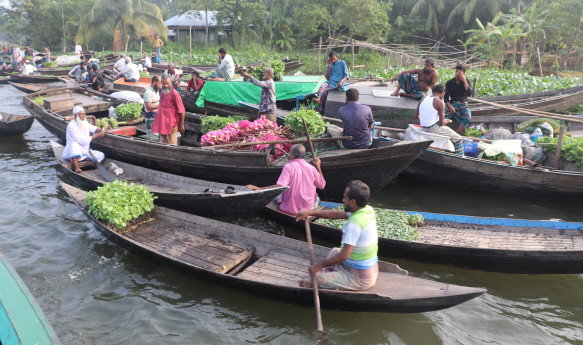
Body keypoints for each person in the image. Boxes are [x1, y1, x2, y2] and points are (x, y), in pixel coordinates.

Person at [296, 180, 378, 291]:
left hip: (360, 278)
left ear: (353, 202)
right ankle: (335, 275)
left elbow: (345, 256)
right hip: (369, 269)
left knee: (314, 280)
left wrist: (319, 265)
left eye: (345, 198)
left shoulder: (355, 224)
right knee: (335, 251)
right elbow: (336, 214)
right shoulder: (367, 210)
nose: (343, 200)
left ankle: (333, 277)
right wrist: (310, 213)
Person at [246, 144, 326, 215]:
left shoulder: (288, 167)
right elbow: (322, 185)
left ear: (292, 156)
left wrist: (260, 188)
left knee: (278, 195)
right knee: (317, 198)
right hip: (307, 208)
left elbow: (281, 186)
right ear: (303, 155)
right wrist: (318, 166)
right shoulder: (312, 168)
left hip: (289, 209)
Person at [414, 84, 463, 154]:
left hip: (423, 127)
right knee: (458, 139)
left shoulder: (423, 99)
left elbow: (415, 116)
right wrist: (447, 121)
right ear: (441, 92)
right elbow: (441, 124)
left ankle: (450, 152)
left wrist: (425, 120)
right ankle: (459, 157)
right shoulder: (440, 102)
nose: (443, 96)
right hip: (433, 128)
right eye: (444, 94)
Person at [62, 106, 108, 173]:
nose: (84, 116)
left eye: (84, 114)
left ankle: (78, 158)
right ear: (75, 115)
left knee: (101, 155)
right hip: (73, 150)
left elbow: (93, 128)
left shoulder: (84, 122)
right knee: (74, 144)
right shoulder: (71, 126)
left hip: (84, 150)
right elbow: (82, 141)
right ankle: (76, 167)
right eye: (81, 114)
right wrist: (97, 136)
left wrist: (102, 130)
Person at [151, 75, 185, 145]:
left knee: (171, 145)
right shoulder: (163, 92)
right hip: (162, 125)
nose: (166, 86)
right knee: (162, 145)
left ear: (171, 83)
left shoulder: (175, 94)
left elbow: (181, 111)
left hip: (171, 126)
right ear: (161, 83)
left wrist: (181, 124)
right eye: (164, 83)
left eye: (167, 83)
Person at [444, 64, 474, 134]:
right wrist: (450, 106)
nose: (457, 73)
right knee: (442, 116)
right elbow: (446, 98)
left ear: (464, 74)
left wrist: (464, 81)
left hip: (463, 104)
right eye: (457, 71)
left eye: (460, 72)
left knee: (467, 117)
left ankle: (456, 133)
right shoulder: (449, 83)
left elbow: (469, 93)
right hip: (453, 103)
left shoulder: (467, 82)